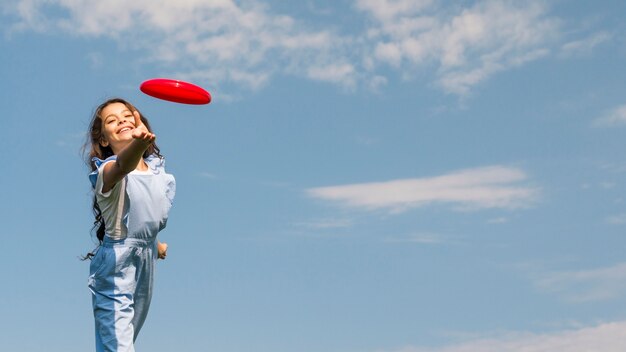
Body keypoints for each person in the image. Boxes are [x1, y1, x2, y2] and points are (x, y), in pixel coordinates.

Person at [83, 98, 175, 351]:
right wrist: (137, 143)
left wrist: (155, 245)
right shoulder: (108, 170)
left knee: (125, 338)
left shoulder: (158, 172)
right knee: (118, 344)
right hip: (116, 265)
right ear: (104, 140)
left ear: (140, 123)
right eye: (112, 120)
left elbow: (143, 217)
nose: (121, 120)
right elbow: (123, 165)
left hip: (144, 262)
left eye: (127, 115)